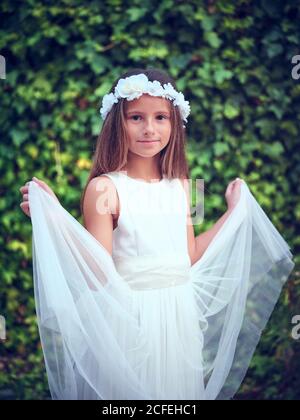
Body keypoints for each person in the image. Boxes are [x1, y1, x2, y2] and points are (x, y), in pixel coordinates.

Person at [19, 68, 295, 400]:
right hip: (133, 322)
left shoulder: (184, 186)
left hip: (178, 319)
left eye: (160, 117)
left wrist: (233, 213)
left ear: (174, 123)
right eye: (136, 117)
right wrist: (55, 221)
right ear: (116, 123)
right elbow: (97, 273)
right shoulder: (104, 188)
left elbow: (190, 255)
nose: (149, 128)